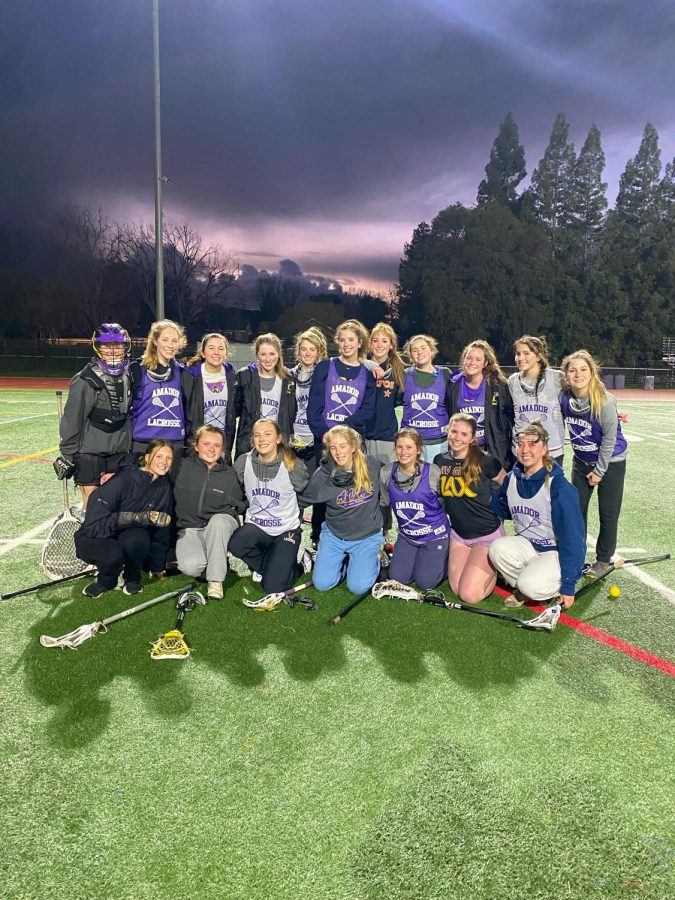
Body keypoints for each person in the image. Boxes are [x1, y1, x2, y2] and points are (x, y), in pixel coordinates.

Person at [488, 420, 586, 609]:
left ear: (544, 449)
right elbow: (504, 510)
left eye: (533, 443)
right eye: (521, 444)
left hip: (554, 552)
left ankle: (548, 585)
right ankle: (531, 584)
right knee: (496, 549)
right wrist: (482, 492)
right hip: (529, 546)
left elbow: (573, 539)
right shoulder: (512, 478)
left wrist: (568, 585)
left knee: (529, 585)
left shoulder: (558, 486)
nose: (526, 449)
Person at [75, 440, 174, 598]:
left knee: (139, 538)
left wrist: (157, 564)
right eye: (159, 456)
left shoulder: (164, 486)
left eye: (169, 458)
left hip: (126, 534)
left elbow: (161, 529)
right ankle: (105, 581)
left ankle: (132, 578)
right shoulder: (124, 479)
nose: (164, 462)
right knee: (113, 554)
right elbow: (94, 524)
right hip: (96, 533)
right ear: (147, 458)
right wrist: (135, 518)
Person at [561, 349, 628, 578]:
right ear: (566, 374)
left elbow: (609, 440)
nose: (578, 374)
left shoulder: (605, 400)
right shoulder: (565, 398)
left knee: (608, 513)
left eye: (583, 369)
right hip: (581, 462)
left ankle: (602, 560)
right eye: (573, 370)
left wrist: (599, 471)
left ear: (592, 372)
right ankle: (576, 555)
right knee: (575, 511)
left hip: (610, 462)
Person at [54, 323, 133, 510]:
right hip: (90, 453)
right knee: (93, 505)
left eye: (118, 345)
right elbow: (72, 420)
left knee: (118, 504)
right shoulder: (84, 380)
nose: (113, 350)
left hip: (119, 451)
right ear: (98, 347)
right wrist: (68, 454)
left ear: (125, 346)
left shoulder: (131, 374)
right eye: (107, 345)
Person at [300, 425, 383, 596]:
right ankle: (347, 561)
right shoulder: (323, 475)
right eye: (333, 448)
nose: (338, 452)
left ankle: (375, 558)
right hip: (335, 536)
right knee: (322, 584)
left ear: (353, 446)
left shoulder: (372, 466)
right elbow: (301, 499)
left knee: (358, 587)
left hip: (366, 537)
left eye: (342, 446)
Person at [230, 419, 310, 593]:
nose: (262, 439)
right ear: (252, 439)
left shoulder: (292, 465)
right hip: (257, 528)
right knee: (236, 543)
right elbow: (236, 491)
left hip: (285, 530)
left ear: (278, 438)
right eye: (257, 435)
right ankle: (270, 565)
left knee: (272, 587)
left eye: (268, 434)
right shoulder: (243, 463)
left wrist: (294, 511)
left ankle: (300, 565)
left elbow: (306, 493)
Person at [434, 414, 506, 603]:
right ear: (448, 431)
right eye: (454, 431)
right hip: (459, 535)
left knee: (469, 595)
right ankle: (484, 567)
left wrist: (501, 511)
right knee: (456, 588)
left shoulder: (486, 461)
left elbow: (507, 485)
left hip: (487, 535)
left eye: (464, 434)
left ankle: (497, 566)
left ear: (472, 438)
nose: (457, 438)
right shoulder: (439, 461)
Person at [173, 425, 246, 599]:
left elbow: (240, 504)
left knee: (219, 522)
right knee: (191, 567)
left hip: (220, 524)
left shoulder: (229, 473)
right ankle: (215, 560)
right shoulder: (180, 466)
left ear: (222, 449)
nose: (211, 449)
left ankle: (215, 582)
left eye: (217, 445)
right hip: (190, 527)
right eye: (206, 444)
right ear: (196, 446)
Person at [380, 428, 449, 590]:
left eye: (409, 447)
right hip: (408, 537)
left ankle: (448, 557)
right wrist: (383, 532)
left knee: (425, 583)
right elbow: (384, 504)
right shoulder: (386, 473)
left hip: (435, 536)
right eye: (399, 447)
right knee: (398, 577)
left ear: (418, 449)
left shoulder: (433, 472)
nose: (403, 452)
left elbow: (447, 503)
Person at [129, 319, 191, 475]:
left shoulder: (183, 373)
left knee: (169, 495)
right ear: (155, 341)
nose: (170, 345)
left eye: (174, 341)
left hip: (173, 444)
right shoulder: (137, 370)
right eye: (165, 339)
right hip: (144, 442)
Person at [446, 339, 514, 471]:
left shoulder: (497, 385)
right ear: (464, 360)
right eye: (469, 358)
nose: (472, 363)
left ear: (485, 363)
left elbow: (507, 418)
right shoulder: (453, 384)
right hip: (463, 449)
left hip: (491, 449)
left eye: (478, 359)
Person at [364, 322, 405, 537]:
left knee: (387, 487)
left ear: (391, 345)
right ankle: (368, 530)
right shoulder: (361, 367)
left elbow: (404, 400)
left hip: (387, 438)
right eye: (375, 340)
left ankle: (386, 529)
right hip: (362, 437)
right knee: (365, 486)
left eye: (384, 341)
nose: (379, 344)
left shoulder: (398, 371)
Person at [288, 326, 329, 546]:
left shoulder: (326, 374)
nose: (307, 353)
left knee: (319, 491)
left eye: (312, 349)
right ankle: (290, 537)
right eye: (303, 349)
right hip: (294, 441)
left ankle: (317, 537)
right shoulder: (289, 375)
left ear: (319, 351)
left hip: (316, 440)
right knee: (293, 490)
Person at [307, 319, 376, 442]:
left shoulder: (367, 376)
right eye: (342, 340)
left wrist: (342, 429)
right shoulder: (324, 367)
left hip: (352, 439)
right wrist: (323, 432)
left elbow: (367, 411)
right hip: (325, 438)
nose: (346, 344)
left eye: (351, 339)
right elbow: (314, 405)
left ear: (359, 343)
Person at [235, 333, 296, 459]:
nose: (268, 359)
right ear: (257, 355)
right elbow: (235, 409)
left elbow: (291, 413)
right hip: (250, 445)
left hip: (278, 446)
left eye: (272, 354)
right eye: (263, 354)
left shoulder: (288, 379)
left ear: (279, 354)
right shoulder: (245, 376)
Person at [508, 335, 565, 465]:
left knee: (549, 485)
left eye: (526, 353)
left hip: (551, 450)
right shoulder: (513, 381)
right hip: (522, 450)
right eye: (518, 354)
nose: (520, 358)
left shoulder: (557, 378)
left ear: (539, 356)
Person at [184, 332, 237, 463]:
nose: (216, 352)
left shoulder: (232, 376)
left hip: (222, 444)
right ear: (202, 353)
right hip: (199, 443)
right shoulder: (190, 376)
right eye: (211, 348)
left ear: (226, 353)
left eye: (221, 348)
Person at [401, 334, 451, 463]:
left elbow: (453, 403)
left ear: (432, 350)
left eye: (423, 348)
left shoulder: (445, 374)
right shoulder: (404, 375)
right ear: (410, 355)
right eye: (415, 350)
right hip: (411, 442)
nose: (419, 352)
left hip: (439, 441)